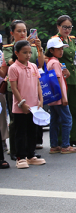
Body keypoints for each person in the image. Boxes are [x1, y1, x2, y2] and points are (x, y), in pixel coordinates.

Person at [1, 20, 45, 158]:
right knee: (16, 122)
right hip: (14, 88)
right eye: (19, 31)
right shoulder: (9, 48)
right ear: (12, 33)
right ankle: (15, 151)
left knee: (30, 122)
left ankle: (29, 151)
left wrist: (39, 49)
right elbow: (11, 62)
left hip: (31, 87)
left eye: (24, 30)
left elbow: (40, 64)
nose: (22, 33)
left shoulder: (31, 47)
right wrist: (23, 46)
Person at [8, 40, 45, 169]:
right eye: (25, 52)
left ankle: (30, 155)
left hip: (34, 106)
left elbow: (38, 84)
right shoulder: (13, 68)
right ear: (16, 53)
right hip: (20, 108)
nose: (28, 55)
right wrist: (22, 103)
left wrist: (41, 100)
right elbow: (14, 88)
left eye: (30, 52)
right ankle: (20, 157)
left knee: (32, 131)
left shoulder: (33, 66)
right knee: (20, 133)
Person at [53, 15, 76, 147]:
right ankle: (61, 140)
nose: (67, 29)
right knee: (62, 112)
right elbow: (50, 58)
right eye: (64, 27)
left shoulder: (71, 40)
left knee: (74, 110)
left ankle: (74, 137)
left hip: (72, 78)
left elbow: (74, 55)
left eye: (69, 27)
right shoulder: (55, 41)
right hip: (61, 79)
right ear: (58, 27)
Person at [45, 38, 76, 154]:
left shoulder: (50, 62)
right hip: (59, 97)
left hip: (53, 97)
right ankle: (65, 145)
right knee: (67, 120)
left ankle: (54, 145)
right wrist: (64, 97)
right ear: (51, 50)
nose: (61, 51)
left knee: (54, 120)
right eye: (58, 49)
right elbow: (58, 80)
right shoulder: (55, 63)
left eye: (61, 48)